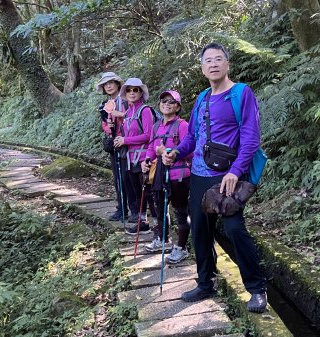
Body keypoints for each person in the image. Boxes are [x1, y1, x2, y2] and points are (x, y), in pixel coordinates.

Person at [162, 43, 268, 312]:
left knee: (234, 229)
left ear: (227, 64)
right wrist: (175, 153)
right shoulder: (202, 99)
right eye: (208, 60)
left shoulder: (241, 93)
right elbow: (193, 138)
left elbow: (251, 138)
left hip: (227, 177)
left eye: (218, 59)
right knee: (200, 230)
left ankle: (257, 289)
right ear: (202, 67)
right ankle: (205, 282)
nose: (213, 64)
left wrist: (235, 171)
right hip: (198, 175)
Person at [141, 90, 191, 264]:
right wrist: (146, 161)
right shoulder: (156, 126)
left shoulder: (183, 126)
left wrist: (167, 152)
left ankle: (181, 248)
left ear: (178, 106)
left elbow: (190, 151)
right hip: (160, 174)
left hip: (179, 175)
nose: (167, 104)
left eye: (171, 101)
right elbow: (151, 147)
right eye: (163, 100)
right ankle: (162, 239)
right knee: (160, 209)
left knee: (180, 211)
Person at [113, 78, 156, 233]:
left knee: (149, 194)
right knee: (138, 193)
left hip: (144, 158)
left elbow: (148, 135)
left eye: (135, 90)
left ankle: (158, 227)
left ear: (141, 92)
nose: (132, 92)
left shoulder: (145, 110)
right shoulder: (129, 112)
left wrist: (125, 140)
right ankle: (142, 223)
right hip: (131, 159)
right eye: (129, 90)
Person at [96, 72, 129, 222]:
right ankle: (121, 209)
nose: (108, 86)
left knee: (128, 178)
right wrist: (110, 128)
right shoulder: (104, 106)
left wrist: (120, 115)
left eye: (111, 83)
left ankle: (136, 211)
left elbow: (132, 118)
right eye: (105, 84)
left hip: (128, 143)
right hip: (114, 144)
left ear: (117, 84)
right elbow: (104, 124)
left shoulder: (127, 101)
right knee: (117, 178)